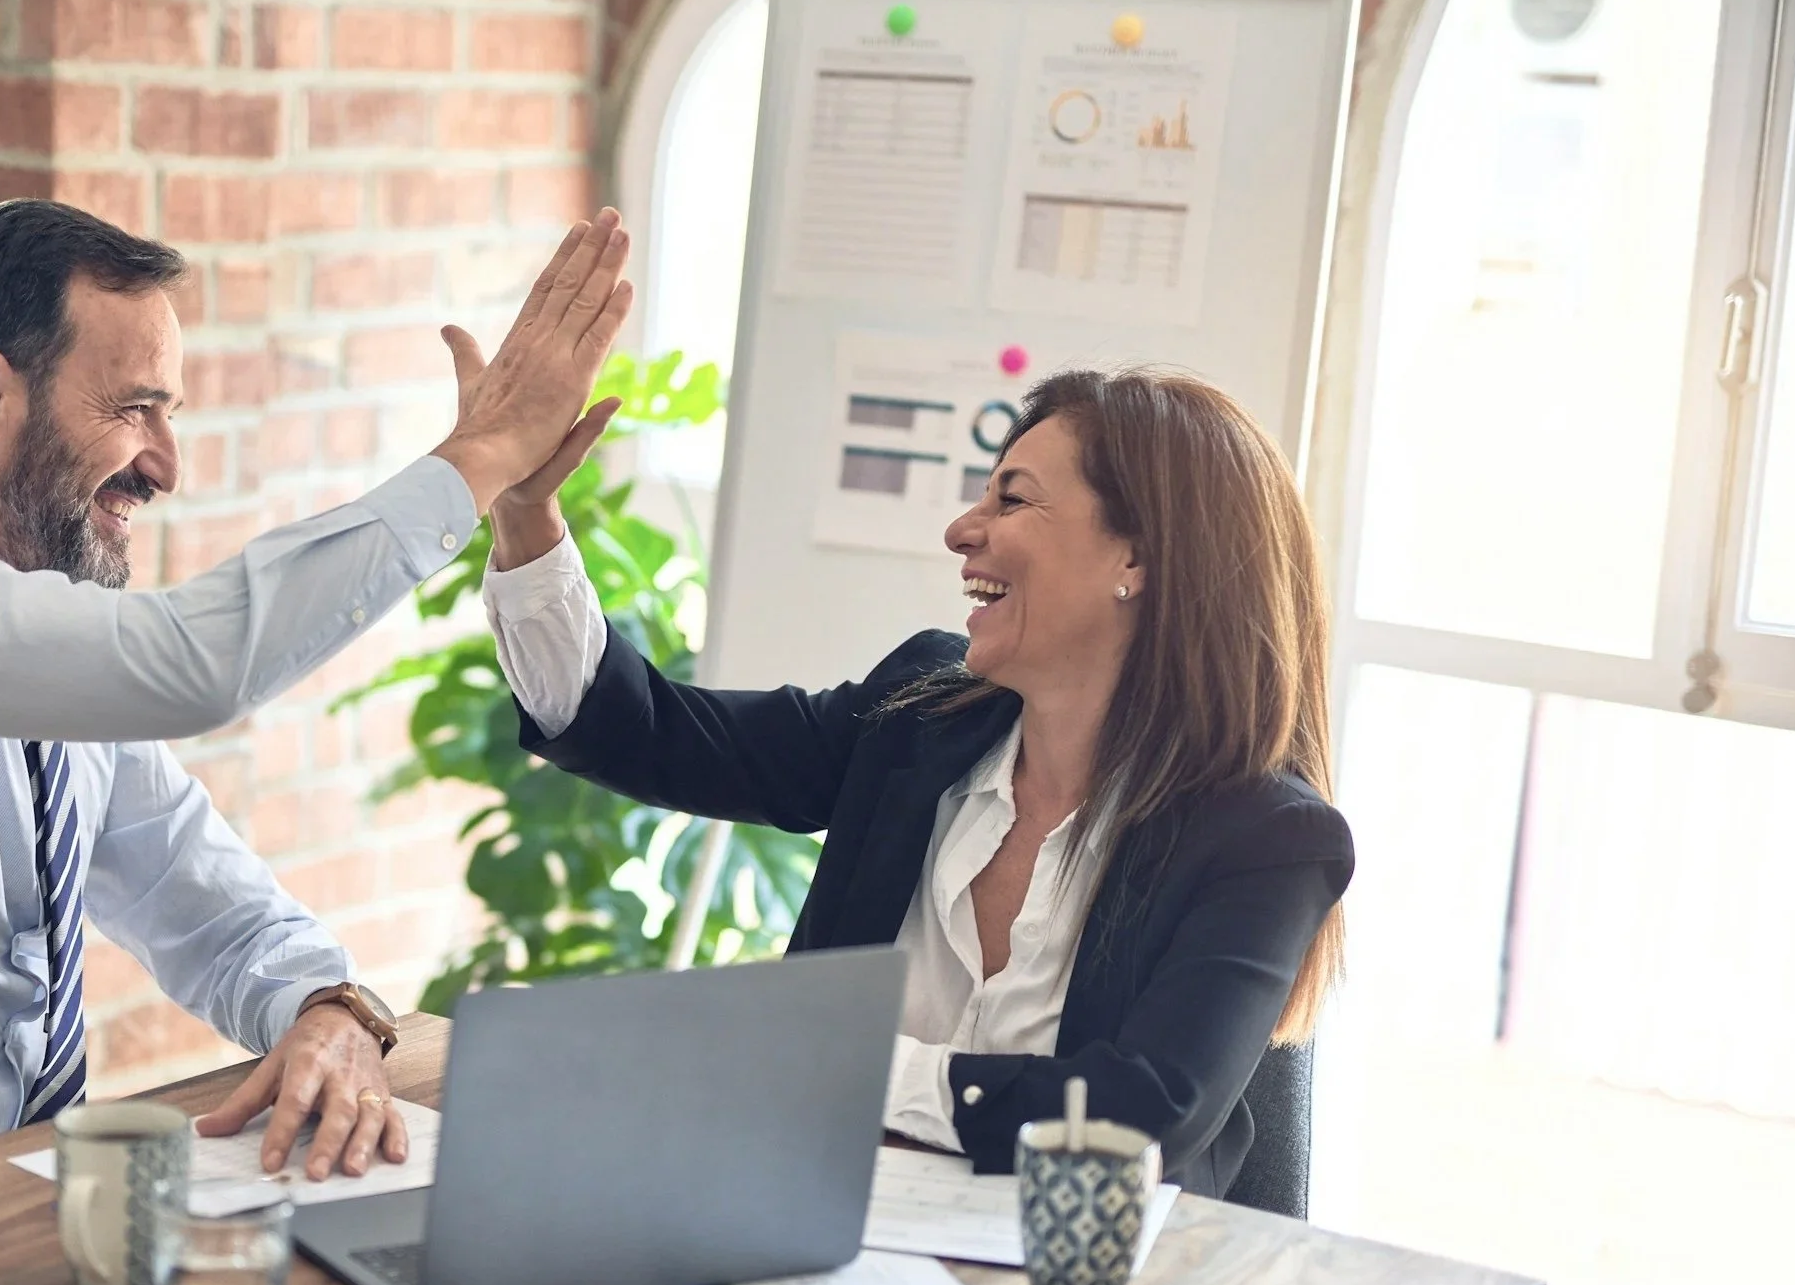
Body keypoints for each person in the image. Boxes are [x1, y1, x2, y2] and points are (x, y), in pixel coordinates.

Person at [0, 198, 632, 1220]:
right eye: (135, 407)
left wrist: (329, 1008)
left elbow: (214, 909)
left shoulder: (57, 682)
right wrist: (482, 456)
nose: (165, 464)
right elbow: (190, 665)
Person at [481, 367, 1352, 1195]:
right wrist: (526, 512)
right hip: (818, 1234)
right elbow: (647, 732)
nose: (962, 530)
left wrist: (842, 1064)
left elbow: (1136, 1119)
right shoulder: (920, 719)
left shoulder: (1265, 839)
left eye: (1011, 498)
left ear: (1138, 558)